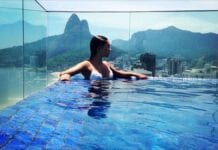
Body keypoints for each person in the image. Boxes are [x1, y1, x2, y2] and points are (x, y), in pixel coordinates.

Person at [59, 35, 148, 81]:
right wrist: (66, 83)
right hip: (92, 101)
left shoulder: (106, 64)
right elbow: (65, 73)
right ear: (99, 48)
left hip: (107, 101)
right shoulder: (86, 64)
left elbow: (119, 74)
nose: (110, 49)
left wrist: (137, 75)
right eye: (108, 46)